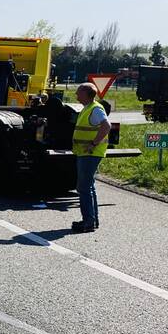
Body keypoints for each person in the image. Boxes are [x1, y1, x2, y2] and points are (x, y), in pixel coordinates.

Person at [70, 82, 111, 233]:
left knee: (84, 188)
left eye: (79, 93)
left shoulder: (95, 109)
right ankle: (92, 221)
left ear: (87, 94)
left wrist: (94, 144)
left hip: (90, 153)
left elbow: (106, 126)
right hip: (86, 153)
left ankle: (88, 222)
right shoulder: (88, 108)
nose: (76, 96)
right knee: (88, 186)